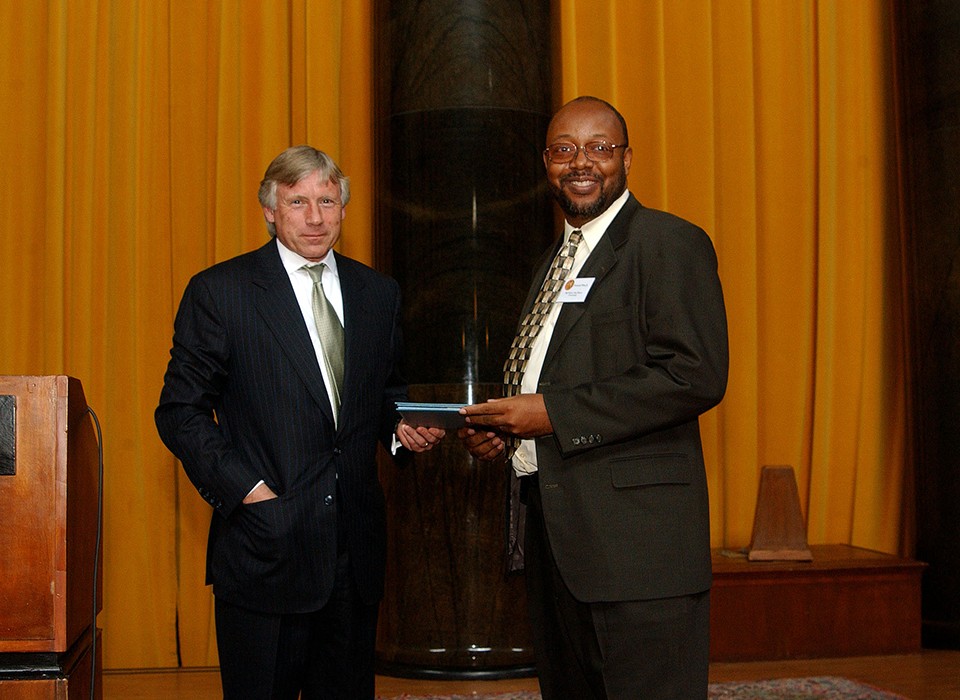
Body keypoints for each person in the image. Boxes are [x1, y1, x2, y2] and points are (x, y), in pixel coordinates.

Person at [459, 97, 728, 699]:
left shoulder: (667, 242)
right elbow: (548, 377)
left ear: (627, 159)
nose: (581, 162)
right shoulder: (558, 258)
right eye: (563, 149)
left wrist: (551, 414)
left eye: (599, 148)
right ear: (546, 163)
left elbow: (695, 372)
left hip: (638, 554)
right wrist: (505, 434)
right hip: (558, 544)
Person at [155, 145, 444, 699]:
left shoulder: (378, 293)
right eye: (298, 202)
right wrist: (248, 492)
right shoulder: (221, 291)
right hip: (266, 548)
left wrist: (403, 431)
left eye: (327, 201)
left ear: (343, 208)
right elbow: (179, 411)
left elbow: (384, 395)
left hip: (354, 556)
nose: (315, 217)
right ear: (270, 210)